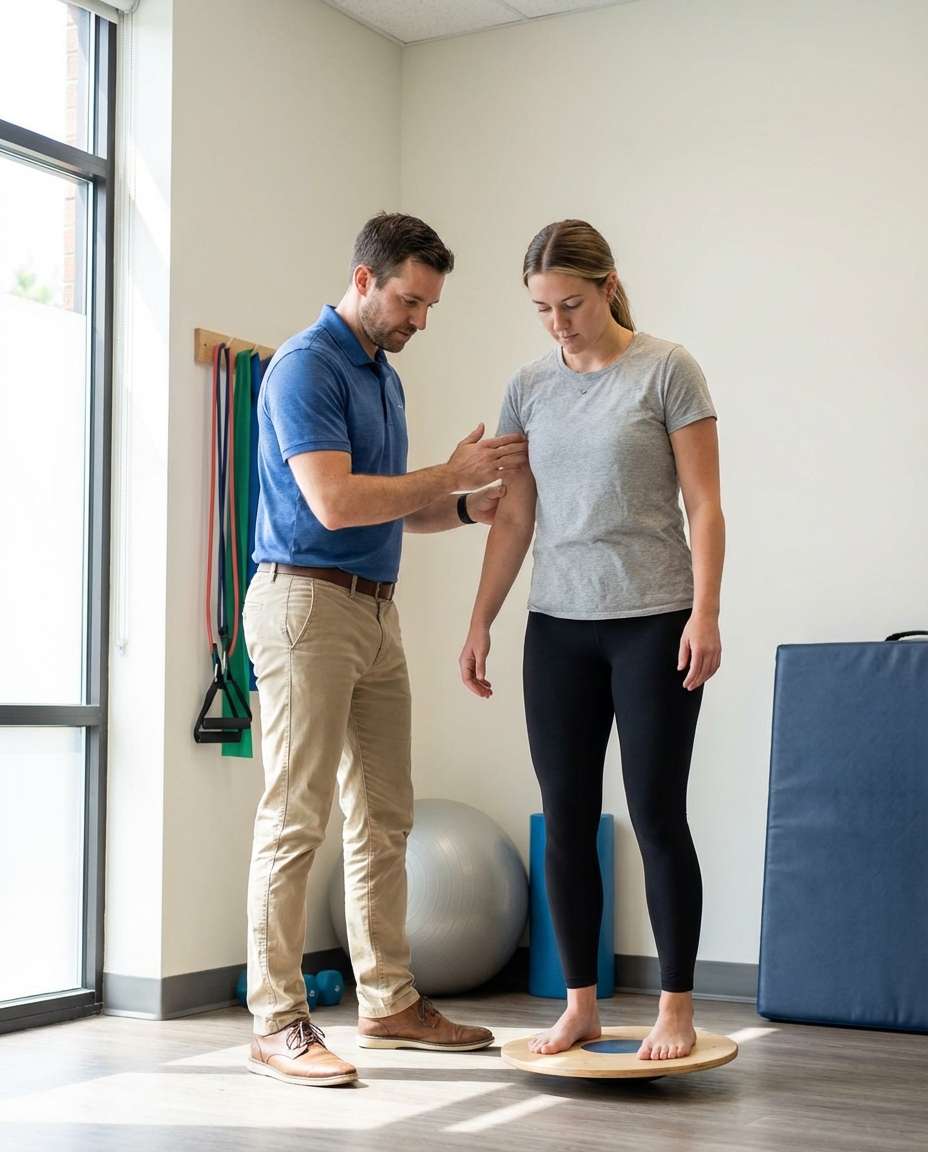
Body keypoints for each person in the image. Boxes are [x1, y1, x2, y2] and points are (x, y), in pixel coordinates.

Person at [244, 212, 529, 1087]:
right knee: (296, 817)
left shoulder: (383, 378)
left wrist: (466, 504)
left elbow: (393, 504)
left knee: (385, 817)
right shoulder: (306, 367)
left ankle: (389, 1002)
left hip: (374, 613)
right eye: (410, 299)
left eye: (431, 303)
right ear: (363, 279)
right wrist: (447, 475)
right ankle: (276, 1020)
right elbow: (332, 502)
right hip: (305, 605)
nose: (420, 319)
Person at [459, 219, 724, 1061]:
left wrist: (706, 611)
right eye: (542, 308)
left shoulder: (667, 369)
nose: (558, 322)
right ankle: (580, 1005)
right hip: (558, 630)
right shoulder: (529, 386)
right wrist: (480, 619)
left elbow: (705, 505)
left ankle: (674, 1006)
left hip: (654, 621)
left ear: (608, 285)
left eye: (570, 303)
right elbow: (516, 513)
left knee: (655, 815)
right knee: (567, 822)